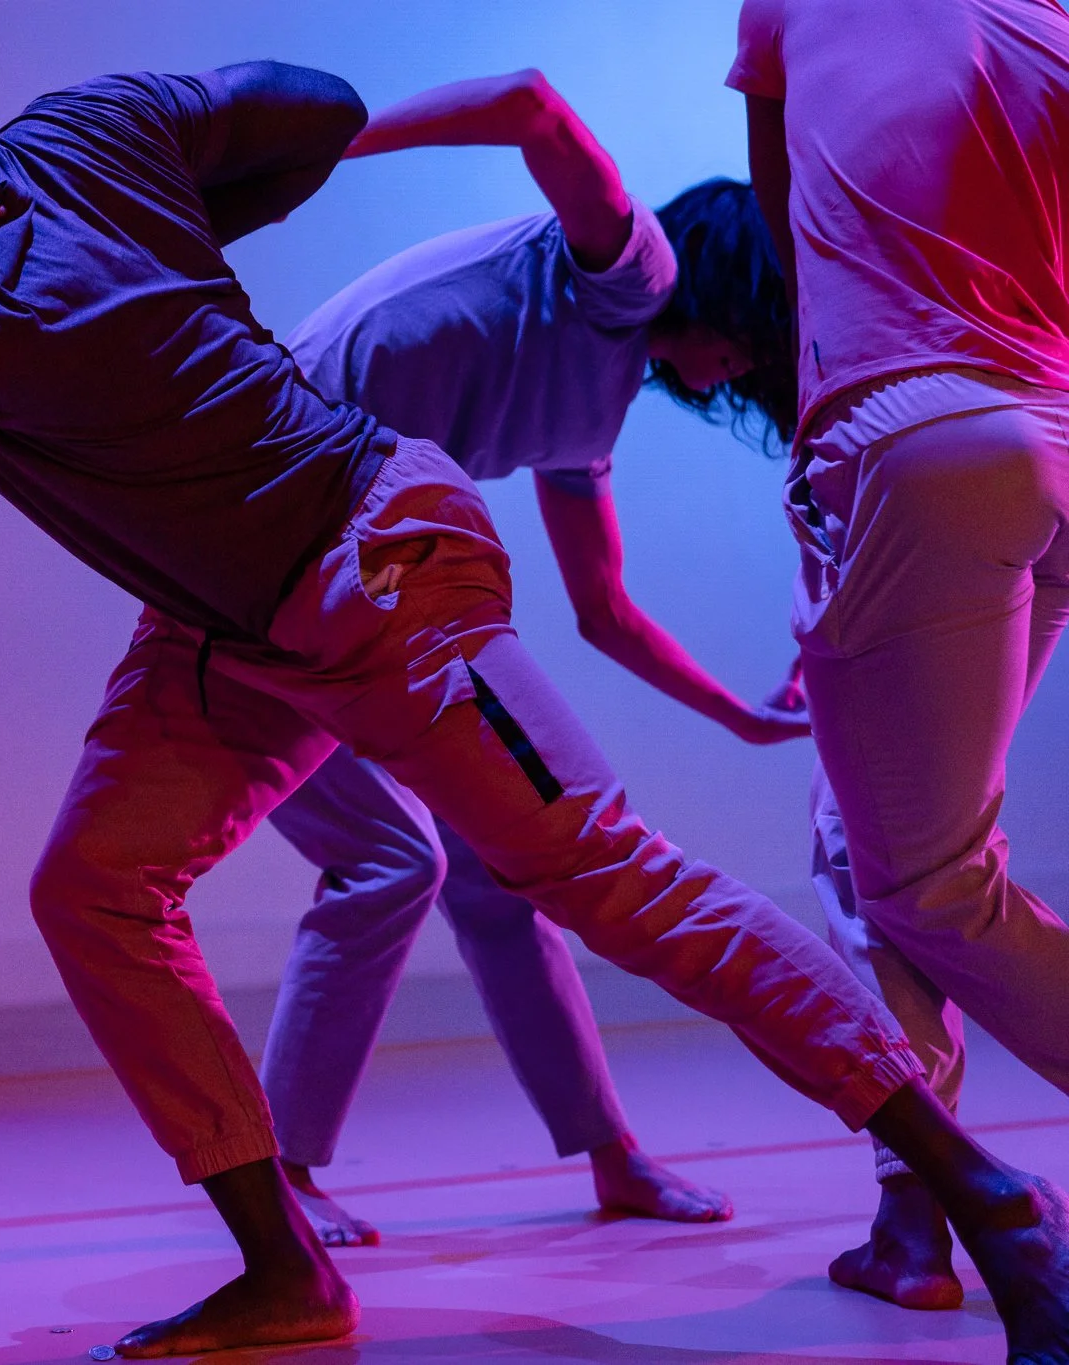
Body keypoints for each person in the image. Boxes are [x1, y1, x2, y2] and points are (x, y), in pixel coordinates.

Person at [0, 41, 1069, 1359]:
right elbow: (315, 110)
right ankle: (288, 1265)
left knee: (604, 878)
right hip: (224, 624)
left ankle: (980, 1186)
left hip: (377, 566)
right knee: (97, 883)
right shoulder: (71, 159)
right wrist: (167, 205)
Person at [257, 71, 799, 1246]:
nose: (745, 372)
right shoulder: (629, 269)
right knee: (387, 860)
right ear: (731, 293)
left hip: (368, 575)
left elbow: (602, 610)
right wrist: (318, 153)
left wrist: (740, 720)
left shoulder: (587, 409)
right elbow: (532, 103)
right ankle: (277, 1182)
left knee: (503, 869)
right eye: (756, 340)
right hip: (256, 550)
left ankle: (611, 1159)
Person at [733, 0, 1069, 1319]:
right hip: (1046, 429)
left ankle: (930, 1211)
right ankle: (915, 1209)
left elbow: (785, 227)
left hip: (915, 434)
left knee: (923, 881)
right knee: (868, 843)